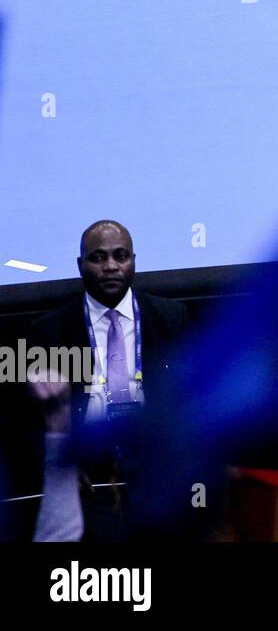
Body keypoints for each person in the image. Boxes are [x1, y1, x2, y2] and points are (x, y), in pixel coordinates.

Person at [26, 220, 192, 540]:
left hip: (156, 465)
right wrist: (61, 466)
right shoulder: (49, 331)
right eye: (98, 257)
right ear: (80, 265)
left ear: (133, 260)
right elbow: (27, 419)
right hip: (87, 476)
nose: (111, 266)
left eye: (120, 255)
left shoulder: (172, 317)